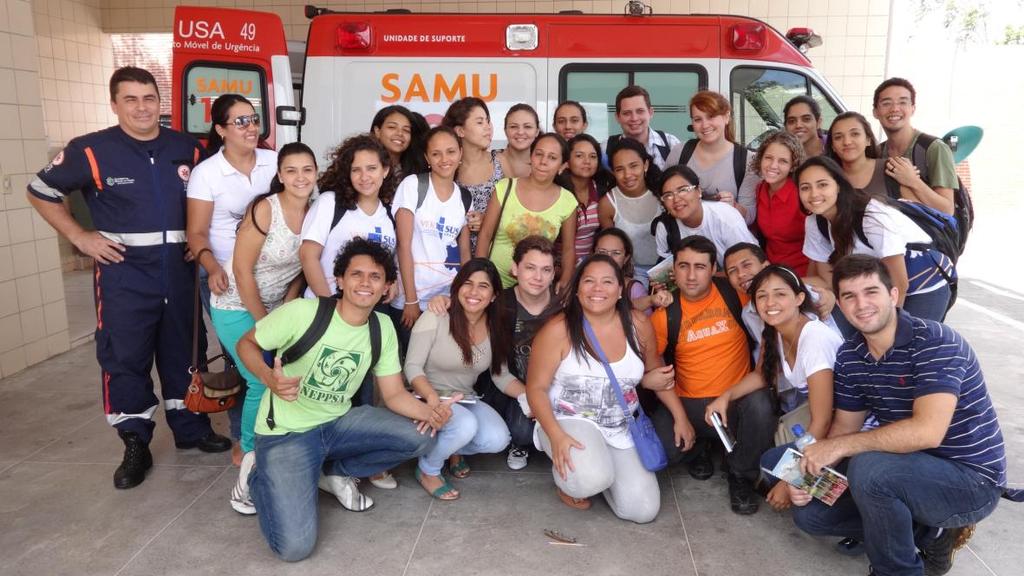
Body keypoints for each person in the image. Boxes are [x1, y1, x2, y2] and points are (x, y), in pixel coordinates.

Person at [27, 67, 230, 490]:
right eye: (131, 99)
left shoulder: (187, 149)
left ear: (161, 102)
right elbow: (41, 190)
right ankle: (134, 439)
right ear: (115, 104)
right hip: (124, 274)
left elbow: (210, 197)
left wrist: (200, 241)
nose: (142, 107)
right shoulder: (91, 150)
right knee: (125, 357)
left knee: (184, 351)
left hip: (178, 270)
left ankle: (191, 427)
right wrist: (80, 236)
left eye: (149, 98)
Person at [787, 254, 1013, 576]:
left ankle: (896, 570)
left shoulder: (936, 341)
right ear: (840, 303)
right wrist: (806, 478)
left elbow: (926, 433)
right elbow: (843, 428)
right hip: (904, 466)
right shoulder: (851, 356)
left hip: (970, 480)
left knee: (870, 468)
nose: (861, 304)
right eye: (850, 296)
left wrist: (835, 449)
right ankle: (931, 533)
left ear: (893, 295)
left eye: (871, 292)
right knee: (810, 513)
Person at [236, 238, 454, 562]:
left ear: (387, 287)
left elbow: (393, 393)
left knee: (418, 436)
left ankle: (334, 471)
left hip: (337, 423)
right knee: (295, 548)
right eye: (356, 274)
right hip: (286, 433)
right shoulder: (303, 312)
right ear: (339, 280)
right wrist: (268, 377)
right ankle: (257, 476)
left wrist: (431, 412)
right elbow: (246, 344)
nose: (365, 283)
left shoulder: (382, 327)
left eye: (375, 277)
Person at [526, 254, 685, 522]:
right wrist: (555, 436)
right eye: (589, 281)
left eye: (607, 282)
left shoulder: (638, 324)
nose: (598, 289)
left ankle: (601, 471)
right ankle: (579, 480)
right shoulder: (559, 329)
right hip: (569, 422)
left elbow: (656, 375)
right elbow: (536, 388)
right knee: (589, 479)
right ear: (577, 290)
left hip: (619, 425)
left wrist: (680, 418)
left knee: (643, 511)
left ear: (621, 290)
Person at [210, 142, 316, 514]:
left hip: (276, 308)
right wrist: (266, 325)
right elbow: (241, 270)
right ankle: (253, 451)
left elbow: (303, 268)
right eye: (291, 170)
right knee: (259, 378)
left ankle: (269, 439)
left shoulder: (317, 212)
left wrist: (288, 304)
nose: (300, 177)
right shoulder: (265, 210)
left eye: (307, 170)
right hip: (237, 306)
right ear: (280, 175)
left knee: (285, 374)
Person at [649, 235, 775, 515]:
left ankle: (740, 473)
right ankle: (700, 447)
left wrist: (825, 294)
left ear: (714, 268)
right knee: (662, 453)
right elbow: (653, 371)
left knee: (762, 404)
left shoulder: (735, 293)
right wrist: (680, 419)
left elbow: (785, 288)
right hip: (689, 402)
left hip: (735, 401)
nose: (691, 276)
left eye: (700, 267)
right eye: (683, 266)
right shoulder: (664, 314)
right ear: (674, 270)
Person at [187, 93, 278, 464]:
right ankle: (245, 438)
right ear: (221, 129)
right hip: (229, 284)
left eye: (253, 119)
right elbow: (196, 234)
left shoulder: (274, 162)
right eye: (240, 121)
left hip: (277, 281)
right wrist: (211, 268)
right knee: (246, 362)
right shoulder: (207, 173)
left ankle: (276, 431)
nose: (250, 127)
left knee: (277, 361)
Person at [426, 236, 563, 472]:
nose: (538, 277)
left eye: (546, 270)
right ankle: (516, 442)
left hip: (555, 387)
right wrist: (443, 300)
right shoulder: (498, 304)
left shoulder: (562, 308)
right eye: (530, 268)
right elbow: (468, 301)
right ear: (515, 268)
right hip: (511, 387)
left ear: (553, 274)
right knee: (520, 432)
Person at [406, 258, 517, 500]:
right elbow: (412, 367)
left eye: (483, 286)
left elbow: (501, 375)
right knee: (466, 425)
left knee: (498, 439)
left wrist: (531, 396)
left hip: (464, 399)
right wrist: (433, 400)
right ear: (456, 288)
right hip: (425, 396)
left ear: (495, 295)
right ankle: (428, 469)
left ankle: (450, 449)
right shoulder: (435, 316)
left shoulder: (495, 327)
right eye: (467, 283)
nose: (474, 292)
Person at [797, 156, 955, 321]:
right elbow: (827, 280)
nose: (814, 194)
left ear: (838, 185)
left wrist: (888, 329)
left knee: (905, 342)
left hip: (924, 283)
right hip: (878, 288)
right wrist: (780, 285)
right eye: (805, 187)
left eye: (822, 185)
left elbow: (899, 284)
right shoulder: (815, 222)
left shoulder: (871, 216)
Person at [738, 265, 842, 512]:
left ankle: (845, 505)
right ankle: (828, 495)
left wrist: (788, 482)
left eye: (779, 294)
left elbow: (823, 422)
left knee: (807, 514)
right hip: (829, 424)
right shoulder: (777, 332)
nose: (769, 302)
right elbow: (763, 375)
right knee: (771, 462)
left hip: (845, 430)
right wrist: (724, 398)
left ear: (799, 298)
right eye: (762, 296)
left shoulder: (814, 338)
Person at [391, 126, 472, 345]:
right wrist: (410, 300)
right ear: (427, 157)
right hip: (411, 299)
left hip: (446, 300)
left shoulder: (464, 197)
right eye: (436, 154)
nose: (444, 159)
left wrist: (461, 298)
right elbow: (403, 245)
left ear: (460, 153)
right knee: (412, 363)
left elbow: (465, 254)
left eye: (451, 151)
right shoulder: (413, 186)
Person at [475, 132, 577, 292]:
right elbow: (486, 234)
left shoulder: (568, 201)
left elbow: (569, 248)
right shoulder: (505, 187)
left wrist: (565, 279)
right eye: (539, 154)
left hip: (537, 286)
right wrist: (481, 274)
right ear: (531, 156)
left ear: (562, 166)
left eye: (552, 157)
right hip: (495, 282)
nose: (543, 162)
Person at [300, 134, 397, 300]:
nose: (364, 177)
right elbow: (308, 256)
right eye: (356, 170)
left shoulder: (390, 215)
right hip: (322, 307)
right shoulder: (330, 202)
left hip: (364, 313)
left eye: (372, 168)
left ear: (385, 170)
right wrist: (329, 305)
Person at [722, 242, 839, 361]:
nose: (741, 274)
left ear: (765, 266)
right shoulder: (747, 315)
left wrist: (831, 296)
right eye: (732, 271)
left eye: (746, 265)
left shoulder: (799, 292)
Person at [665, 91, 759, 225]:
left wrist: (733, 206)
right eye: (698, 119)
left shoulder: (747, 160)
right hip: (685, 240)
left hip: (726, 243)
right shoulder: (680, 152)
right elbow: (664, 196)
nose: (705, 125)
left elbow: (749, 216)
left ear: (726, 117)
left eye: (711, 117)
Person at [873, 77, 956, 215]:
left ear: (912, 109)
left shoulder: (934, 148)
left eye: (902, 102)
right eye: (886, 103)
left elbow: (947, 210)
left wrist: (912, 181)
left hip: (928, 235)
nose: (894, 109)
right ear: (875, 112)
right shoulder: (877, 153)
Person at [653, 164, 756, 267]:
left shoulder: (725, 217)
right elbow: (666, 269)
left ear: (698, 191)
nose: (676, 199)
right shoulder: (664, 228)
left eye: (683, 190)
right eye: (668, 195)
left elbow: (749, 264)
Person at [442, 97, 511, 251]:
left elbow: (517, 212)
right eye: (480, 122)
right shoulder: (446, 167)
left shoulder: (500, 161)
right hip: (453, 259)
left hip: (495, 258)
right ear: (460, 131)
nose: (488, 127)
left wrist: (487, 220)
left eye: (488, 121)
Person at [598, 137, 664, 286]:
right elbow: (611, 250)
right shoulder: (608, 203)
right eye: (619, 169)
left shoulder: (663, 193)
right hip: (631, 275)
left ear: (645, 165)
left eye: (634, 166)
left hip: (667, 270)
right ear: (613, 172)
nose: (628, 175)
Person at [752, 131, 810, 275]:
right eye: (768, 158)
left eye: (783, 161)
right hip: (771, 269)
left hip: (802, 273)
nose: (773, 165)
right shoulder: (760, 189)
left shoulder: (802, 194)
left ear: (793, 166)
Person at [593, 227, 671, 315]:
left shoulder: (634, 288)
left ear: (626, 258)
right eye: (602, 252)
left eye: (616, 253)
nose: (608, 258)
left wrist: (650, 300)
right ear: (593, 254)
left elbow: (645, 324)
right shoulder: (582, 283)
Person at [561, 134, 612, 263]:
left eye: (593, 156)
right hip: (556, 265)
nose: (587, 161)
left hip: (589, 264)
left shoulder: (601, 192)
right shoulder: (558, 191)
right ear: (567, 160)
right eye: (579, 156)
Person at [604, 85, 680, 170]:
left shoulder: (671, 144)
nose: (634, 118)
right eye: (627, 113)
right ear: (617, 117)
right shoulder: (605, 148)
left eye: (640, 111)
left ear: (650, 113)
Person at [827, 111, 887, 197]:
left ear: (868, 140)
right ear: (832, 146)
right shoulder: (826, 176)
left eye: (855, 134)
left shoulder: (890, 169)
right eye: (838, 137)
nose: (847, 142)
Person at [370, 104, 427, 182]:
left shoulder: (417, 173)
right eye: (392, 127)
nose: (400, 133)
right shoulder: (364, 165)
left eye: (406, 130)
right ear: (377, 131)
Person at [497, 103, 541, 178]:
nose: (520, 132)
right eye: (513, 127)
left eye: (527, 127)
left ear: (537, 132)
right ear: (505, 131)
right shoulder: (491, 160)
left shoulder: (545, 164)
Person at [783, 95, 826, 159]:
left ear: (818, 122)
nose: (798, 125)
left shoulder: (835, 146)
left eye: (806, 119)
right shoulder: (782, 155)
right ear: (785, 127)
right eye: (791, 121)